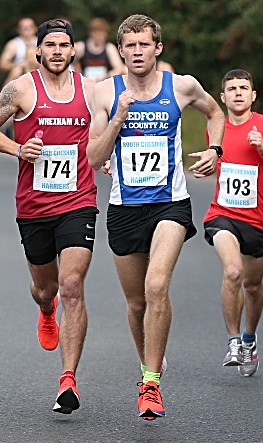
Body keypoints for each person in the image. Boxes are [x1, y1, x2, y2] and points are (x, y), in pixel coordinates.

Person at [86, 14, 225, 420]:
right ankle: (149, 359)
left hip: (170, 204)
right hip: (125, 208)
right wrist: (117, 119)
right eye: (129, 46)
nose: (137, 52)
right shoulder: (105, 92)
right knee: (135, 303)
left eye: (144, 44)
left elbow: (215, 113)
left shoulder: (181, 86)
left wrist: (215, 150)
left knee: (157, 284)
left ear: (157, 48)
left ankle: (150, 384)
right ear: (121, 50)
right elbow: (95, 158)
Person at [0, 19, 97, 415]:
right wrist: (17, 149)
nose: (58, 51)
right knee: (47, 290)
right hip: (34, 206)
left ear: (73, 50)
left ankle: (68, 380)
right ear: (39, 51)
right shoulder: (21, 89)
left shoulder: (90, 90)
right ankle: (46, 312)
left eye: (65, 44)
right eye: (51, 45)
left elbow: (112, 129)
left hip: (79, 200)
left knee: (73, 284)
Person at [203, 69, 263, 376]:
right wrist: (206, 166)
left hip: (257, 219)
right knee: (233, 272)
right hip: (222, 214)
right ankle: (233, 341)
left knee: (252, 286)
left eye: (244, 87)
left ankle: (249, 338)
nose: (238, 92)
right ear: (223, 97)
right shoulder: (215, 127)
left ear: (253, 95)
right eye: (232, 88)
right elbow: (214, 160)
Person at [73, 18, 125, 82]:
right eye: (97, 34)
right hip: (85, 82)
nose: (100, 37)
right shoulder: (82, 46)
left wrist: (107, 76)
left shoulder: (109, 48)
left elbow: (119, 68)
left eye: (102, 35)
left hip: (103, 82)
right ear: (91, 33)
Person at [0, 17, 39, 86]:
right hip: (20, 76)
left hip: (39, 73)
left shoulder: (42, 43)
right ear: (18, 30)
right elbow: (2, 64)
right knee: (16, 71)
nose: (27, 29)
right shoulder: (13, 45)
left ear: (35, 28)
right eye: (23, 27)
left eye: (29, 27)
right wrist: (19, 64)